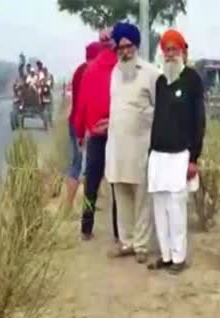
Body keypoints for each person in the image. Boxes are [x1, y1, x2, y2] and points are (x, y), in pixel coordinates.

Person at [147, 29, 205, 274]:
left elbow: (199, 121)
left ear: (182, 51)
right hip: (158, 155)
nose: (170, 54)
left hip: (181, 154)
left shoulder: (192, 80)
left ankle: (179, 258)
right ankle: (166, 255)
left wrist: (194, 158)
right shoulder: (160, 82)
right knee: (159, 207)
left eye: (174, 49)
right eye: (166, 50)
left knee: (176, 207)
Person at [105, 22, 160, 263]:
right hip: (117, 147)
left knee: (141, 199)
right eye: (120, 47)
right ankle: (126, 243)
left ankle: (141, 246)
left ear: (136, 46)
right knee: (122, 196)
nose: (124, 52)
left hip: (141, 147)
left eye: (128, 47)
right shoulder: (115, 73)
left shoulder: (151, 73)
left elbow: (162, 110)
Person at [74, 29, 119, 242]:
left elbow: (81, 104)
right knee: (117, 184)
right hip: (118, 133)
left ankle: (86, 227)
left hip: (96, 134)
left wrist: (80, 131)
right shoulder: (121, 69)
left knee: (91, 183)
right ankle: (120, 231)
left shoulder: (90, 71)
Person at [64, 41, 101, 212]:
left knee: (80, 163)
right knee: (83, 166)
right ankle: (81, 206)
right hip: (84, 125)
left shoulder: (80, 70)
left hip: (75, 122)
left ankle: (75, 206)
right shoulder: (92, 71)